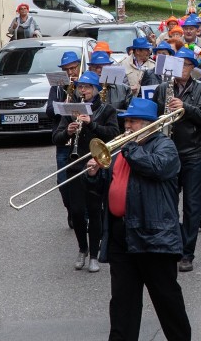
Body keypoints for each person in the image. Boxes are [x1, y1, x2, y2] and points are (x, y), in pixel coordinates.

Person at [87, 98, 191, 341]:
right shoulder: (122, 151)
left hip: (154, 237)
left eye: (133, 121)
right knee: (122, 305)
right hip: (121, 236)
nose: (127, 126)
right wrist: (94, 175)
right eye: (126, 121)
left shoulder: (164, 146)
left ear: (150, 125)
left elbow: (157, 168)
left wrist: (130, 148)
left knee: (167, 302)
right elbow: (110, 188)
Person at [152, 47, 201, 272]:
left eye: (186, 65)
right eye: (178, 64)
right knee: (167, 204)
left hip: (194, 154)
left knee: (192, 206)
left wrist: (185, 108)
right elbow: (154, 120)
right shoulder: (162, 89)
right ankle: (172, 246)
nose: (182, 69)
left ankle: (187, 253)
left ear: (192, 68)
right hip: (168, 152)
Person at [52, 71, 120, 273]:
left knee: (94, 210)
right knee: (78, 212)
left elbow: (114, 135)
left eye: (88, 87)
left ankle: (94, 255)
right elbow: (56, 137)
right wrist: (68, 131)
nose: (83, 90)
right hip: (75, 165)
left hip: (96, 164)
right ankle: (82, 248)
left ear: (96, 89)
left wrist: (92, 124)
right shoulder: (70, 110)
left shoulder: (107, 110)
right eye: (81, 87)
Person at [46, 51, 82, 227]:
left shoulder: (86, 84)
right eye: (66, 69)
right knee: (62, 182)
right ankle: (71, 210)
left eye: (73, 68)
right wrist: (65, 106)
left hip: (82, 139)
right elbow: (49, 112)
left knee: (83, 181)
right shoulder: (58, 87)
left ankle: (81, 213)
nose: (70, 73)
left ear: (79, 66)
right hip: (63, 139)